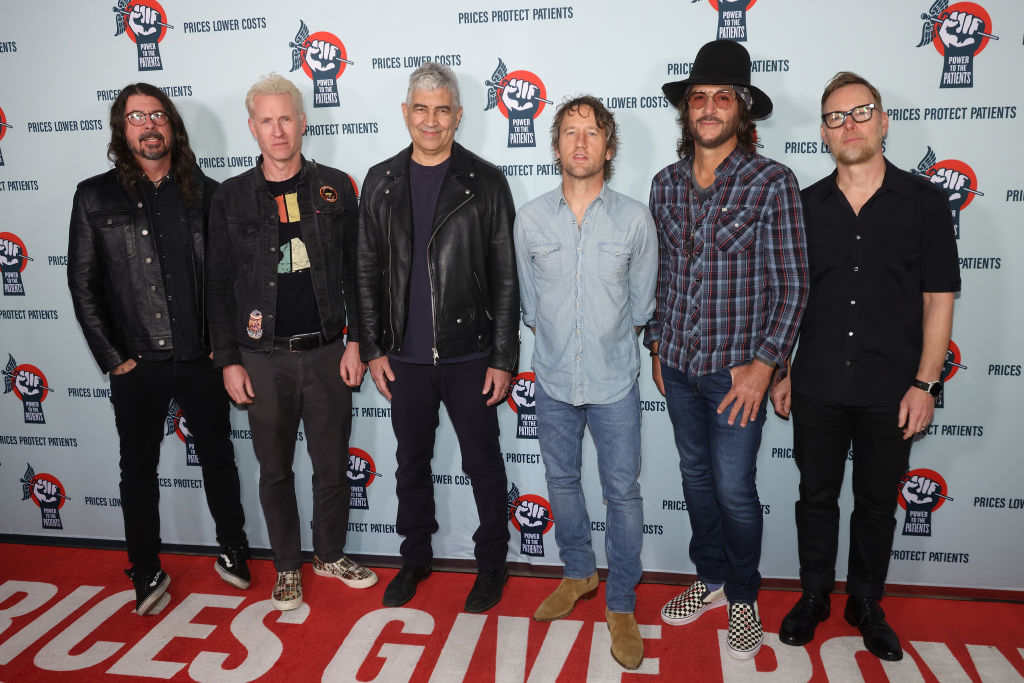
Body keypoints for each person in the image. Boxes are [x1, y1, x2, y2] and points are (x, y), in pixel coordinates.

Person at [772, 72, 959, 661]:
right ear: (824, 133)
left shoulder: (925, 202)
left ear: (883, 122)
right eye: (835, 117)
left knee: (879, 502)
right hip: (818, 380)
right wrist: (782, 369)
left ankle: (867, 602)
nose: (848, 124)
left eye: (860, 112)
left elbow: (939, 298)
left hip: (892, 385)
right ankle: (814, 596)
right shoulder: (804, 206)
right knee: (815, 497)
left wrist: (926, 383)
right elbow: (789, 296)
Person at [645, 40, 808, 659]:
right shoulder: (664, 185)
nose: (708, 108)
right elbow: (657, 280)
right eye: (698, 98)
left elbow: (793, 285)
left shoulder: (773, 182)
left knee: (735, 488)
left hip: (738, 375)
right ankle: (709, 579)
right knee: (693, 476)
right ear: (686, 111)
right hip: (679, 368)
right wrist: (657, 344)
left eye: (721, 98)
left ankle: (743, 596)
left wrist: (765, 367)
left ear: (743, 111)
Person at [68, 83, 250, 616]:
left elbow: (231, 283)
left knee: (219, 458)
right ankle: (145, 564)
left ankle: (233, 548)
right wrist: (113, 357)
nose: (148, 126)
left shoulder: (209, 194)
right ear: (122, 131)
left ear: (172, 125)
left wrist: (225, 348)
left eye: (157, 115)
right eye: (135, 117)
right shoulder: (93, 196)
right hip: (136, 362)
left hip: (202, 358)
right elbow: (83, 284)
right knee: (137, 469)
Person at [206, 73, 377, 611]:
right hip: (262, 358)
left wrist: (358, 343)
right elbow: (216, 285)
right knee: (275, 470)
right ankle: (285, 566)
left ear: (303, 123)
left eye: (287, 119)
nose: (278, 130)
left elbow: (358, 272)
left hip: (328, 352)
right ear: (252, 128)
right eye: (267, 120)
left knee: (331, 466)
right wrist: (229, 360)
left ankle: (328, 554)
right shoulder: (230, 198)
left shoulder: (335, 187)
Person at [357, 62, 519, 613]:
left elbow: (504, 277)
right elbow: (365, 270)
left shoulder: (486, 181)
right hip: (403, 357)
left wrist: (503, 356)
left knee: (483, 463)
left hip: (470, 353)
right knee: (410, 464)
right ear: (405, 113)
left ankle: (492, 565)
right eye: (420, 109)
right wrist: (373, 346)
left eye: (442, 109)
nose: (431, 120)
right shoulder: (379, 180)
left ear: (458, 116)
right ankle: (415, 558)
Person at [515, 96, 657, 669]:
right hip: (550, 379)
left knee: (622, 494)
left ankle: (621, 602)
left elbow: (643, 303)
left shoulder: (634, 219)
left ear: (609, 146)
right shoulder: (529, 219)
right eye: (569, 133)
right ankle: (578, 573)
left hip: (615, 381)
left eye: (592, 133)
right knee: (563, 483)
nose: (580, 143)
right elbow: (528, 304)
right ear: (555, 147)